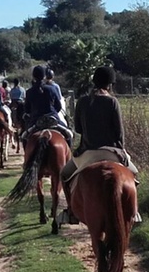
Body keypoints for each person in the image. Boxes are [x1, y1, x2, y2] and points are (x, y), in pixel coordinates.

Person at [59, 66, 139, 224]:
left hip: (87, 153)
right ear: (110, 84)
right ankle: (134, 212)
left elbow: (79, 129)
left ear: (94, 82)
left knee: (64, 175)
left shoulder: (82, 101)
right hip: (112, 152)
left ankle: (71, 212)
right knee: (134, 174)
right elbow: (119, 133)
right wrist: (122, 152)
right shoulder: (112, 101)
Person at [21, 65, 73, 145]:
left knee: (24, 138)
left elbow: (27, 110)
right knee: (69, 135)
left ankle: (27, 157)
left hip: (36, 122)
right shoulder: (52, 89)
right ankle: (69, 156)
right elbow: (58, 107)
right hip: (53, 120)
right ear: (44, 76)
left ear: (33, 77)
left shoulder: (29, 92)